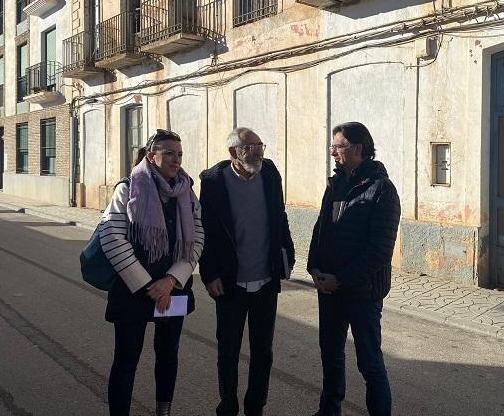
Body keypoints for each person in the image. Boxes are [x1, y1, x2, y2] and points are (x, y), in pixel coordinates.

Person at [99, 129, 204, 416]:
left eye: (179, 154)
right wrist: (149, 285)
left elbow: (197, 237)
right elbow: (111, 238)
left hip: (172, 290)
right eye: (169, 153)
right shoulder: (128, 188)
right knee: (126, 359)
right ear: (151, 156)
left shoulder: (186, 190)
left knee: (168, 354)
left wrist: (170, 281)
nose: (176, 159)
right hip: (134, 291)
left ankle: (164, 411)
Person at [199, 127, 295, 416]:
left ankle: (256, 407)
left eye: (260, 145)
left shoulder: (270, 174)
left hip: (265, 279)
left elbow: (279, 216)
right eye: (250, 147)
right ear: (233, 153)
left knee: (263, 353)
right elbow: (207, 231)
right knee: (228, 352)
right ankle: (227, 405)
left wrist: (286, 256)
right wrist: (209, 273)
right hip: (230, 283)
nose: (258, 152)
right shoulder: (214, 182)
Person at [308, 122, 401, 416]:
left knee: (369, 362)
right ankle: (328, 411)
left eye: (339, 146)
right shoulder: (336, 184)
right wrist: (314, 268)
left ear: (358, 149)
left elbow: (379, 252)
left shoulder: (382, 190)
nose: (333, 152)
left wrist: (341, 279)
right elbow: (321, 228)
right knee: (331, 357)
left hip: (362, 292)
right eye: (332, 146)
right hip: (330, 290)